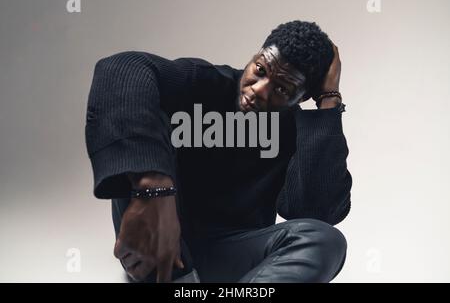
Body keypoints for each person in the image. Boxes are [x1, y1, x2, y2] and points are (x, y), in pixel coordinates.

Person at [85, 20, 352, 283]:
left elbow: (316, 212)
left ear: (302, 97)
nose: (259, 90)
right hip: (157, 241)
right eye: (260, 70)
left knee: (326, 240)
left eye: (282, 89)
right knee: (147, 125)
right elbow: (122, 67)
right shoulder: (205, 83)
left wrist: (328, 102)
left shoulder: (293, 127)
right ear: (255, 56)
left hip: (231, 254)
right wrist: (154, 187)